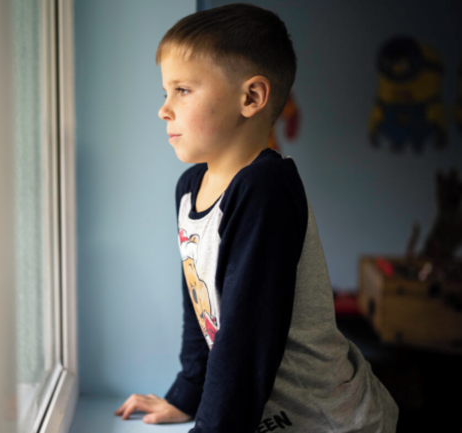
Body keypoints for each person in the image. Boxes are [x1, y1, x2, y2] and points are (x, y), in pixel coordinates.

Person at [113, 4, 399, 432]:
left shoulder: (265, 188)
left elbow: (243, 341)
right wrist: (188, 392)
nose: (164, 110)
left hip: (331, 423)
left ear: (251, 98)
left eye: (182, 90)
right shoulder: (190, 188)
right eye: (165, 92)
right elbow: (200, 305)